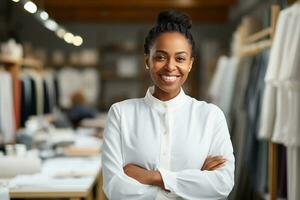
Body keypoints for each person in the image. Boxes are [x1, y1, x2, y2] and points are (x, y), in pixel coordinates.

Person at [102, 10, 235, 200]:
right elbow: (115, 188)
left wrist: (153, 177)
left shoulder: (211, 116)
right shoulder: (121, 114)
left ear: (190, 63)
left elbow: (222, 184)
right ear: (147, 60)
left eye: (180, 58)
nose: (170, 66)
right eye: (160, 57)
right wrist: (194, 183)